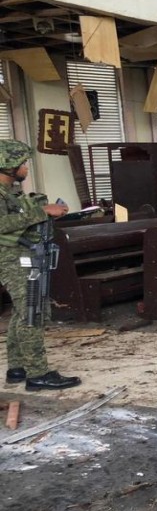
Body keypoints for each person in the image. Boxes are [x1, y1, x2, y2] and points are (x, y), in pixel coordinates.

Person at [0, 139, 80, 391]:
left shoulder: (10, 192)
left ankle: (18, 368)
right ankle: (38, 374)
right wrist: (43, 211)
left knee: (22, 311)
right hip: (9, 258)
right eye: (22, 163)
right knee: (31, 312)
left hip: (23, 254)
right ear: (9, 165)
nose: (26, 167)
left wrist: (47, 210)